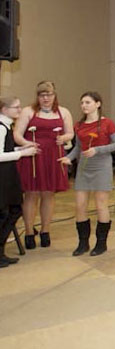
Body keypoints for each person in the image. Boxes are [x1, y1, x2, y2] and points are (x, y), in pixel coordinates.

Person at [59, 92, 115, 257]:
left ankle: (101, 243)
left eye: (87, 102)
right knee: (80, 205)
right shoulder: (79, 125)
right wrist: (69, 158)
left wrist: (97, 150)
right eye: (82, 103)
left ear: (97, 104)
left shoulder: (107, 123)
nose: (84, 106)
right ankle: (83, 243)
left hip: (102, 166)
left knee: (101, 205)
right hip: (84, 167)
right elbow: (78, 148)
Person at [14, 81, 74, 250]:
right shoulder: (28, 111)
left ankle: (45, 231)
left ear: (54, 95)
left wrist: (64, 138)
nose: (46, 98)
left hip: (53, 157)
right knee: (31, 194)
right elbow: (17, 134)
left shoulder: (64, 112)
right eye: (42, 95)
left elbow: (70, 133)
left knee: (48, 194)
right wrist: (27, 144)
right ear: (37, 96)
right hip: (33, 157)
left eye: (49, 95)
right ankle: (28, 232)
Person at [0, 97, 37, 268]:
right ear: (4, 109)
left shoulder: (7, 126)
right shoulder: (1, 127)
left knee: (14, 210)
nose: (19, 110)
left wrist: (19, 149)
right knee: (6, 213)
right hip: (3, 177)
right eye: (16, 107)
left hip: (8, 175)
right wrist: (22, 154)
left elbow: (6, 150)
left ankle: (1, 250)